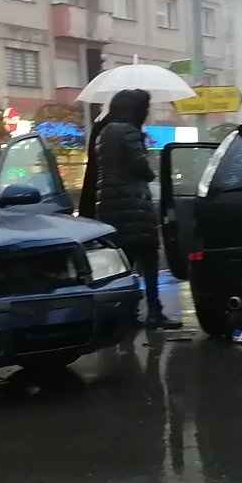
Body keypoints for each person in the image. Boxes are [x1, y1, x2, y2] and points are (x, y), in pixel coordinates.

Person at [78, 89, 181, 330]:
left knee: (124, 265)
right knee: (149, 261)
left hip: (108, 208)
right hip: (134, 205)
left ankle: (125, 314)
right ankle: (155, 311)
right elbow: (141, 168)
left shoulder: (103, 133)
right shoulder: (129, 131)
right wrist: (149, 164)